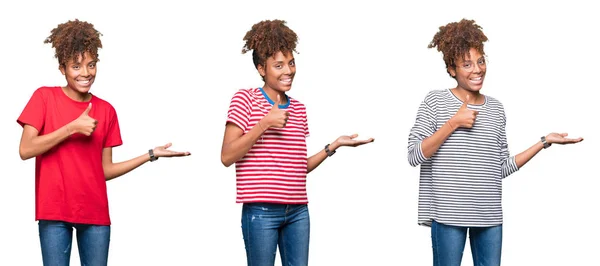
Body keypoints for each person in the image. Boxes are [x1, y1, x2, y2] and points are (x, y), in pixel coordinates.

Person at [407, 19, 583, 266]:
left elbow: (500, 168)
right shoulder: (435, 102)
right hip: (448, 215)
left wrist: (543, 142)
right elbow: (414, 155)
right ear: (451, 69)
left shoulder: (497, 109)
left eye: (480, 61)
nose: (477, 69)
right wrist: (453, 122)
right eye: (466, 64)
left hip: (489, 215)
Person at [17, 19, 191, 266]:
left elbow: (105, 171)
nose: (85, 73)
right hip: (54, 211)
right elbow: (25, 149)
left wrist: (151, 154)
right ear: (62, 68)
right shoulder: (44, 97)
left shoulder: (106, 110)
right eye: (76, 66)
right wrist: (71, 128)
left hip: (95, 213)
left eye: (91, 65)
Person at [221, 19, 374, 266]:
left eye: (291, 63)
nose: (288, 71)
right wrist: (264, 124)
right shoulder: (244, 100)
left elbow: (297, 168)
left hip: (298, 211)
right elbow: (227, 157)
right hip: (261, 212)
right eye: (278, 65)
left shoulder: (299, 109)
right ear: (262, 68)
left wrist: (333, 146)